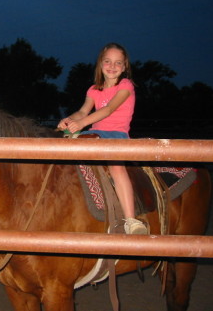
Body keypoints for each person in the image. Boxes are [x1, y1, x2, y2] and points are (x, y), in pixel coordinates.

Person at [58, 42, 147, 235]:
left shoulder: (125, 85)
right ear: (100, 64)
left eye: (118, 63)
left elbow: (108, 109)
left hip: (116, 135)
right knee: (68, 147)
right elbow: (82, 111)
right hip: (95, 135)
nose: (112, 66)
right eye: (108, 61)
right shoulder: (93, 90)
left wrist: (81, 125)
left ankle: (131, 220)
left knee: (116, 167)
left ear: (124, 67)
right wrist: (69, 120)